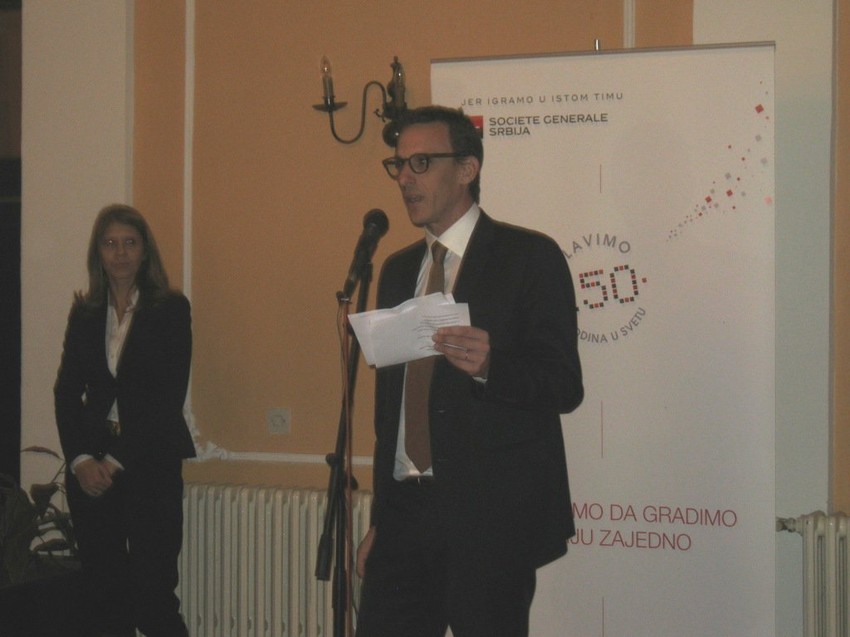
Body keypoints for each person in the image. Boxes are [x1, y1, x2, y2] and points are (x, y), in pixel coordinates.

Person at [354, 106, 584, 637]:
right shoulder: (396, 270)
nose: (405, 178)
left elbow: (564, 385)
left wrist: (491, 367)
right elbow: (390, 414)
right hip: (404, 516)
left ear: (466, 169)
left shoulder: (528, 257)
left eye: (421, 162)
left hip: (490, 522)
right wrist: (380, 521)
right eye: (398, 165)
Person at [54, 203, 195, 637]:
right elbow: (65, 392)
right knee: (106, 599)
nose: (120, 253)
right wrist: (80, 460)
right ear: (98, 252)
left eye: (130, 243)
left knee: (154, 600)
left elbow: (166, 398)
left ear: (145, 251)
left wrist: (114, 461)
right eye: (110, 243)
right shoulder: (85, 313)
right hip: (91, 470)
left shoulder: (171, 309)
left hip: (149, 463)